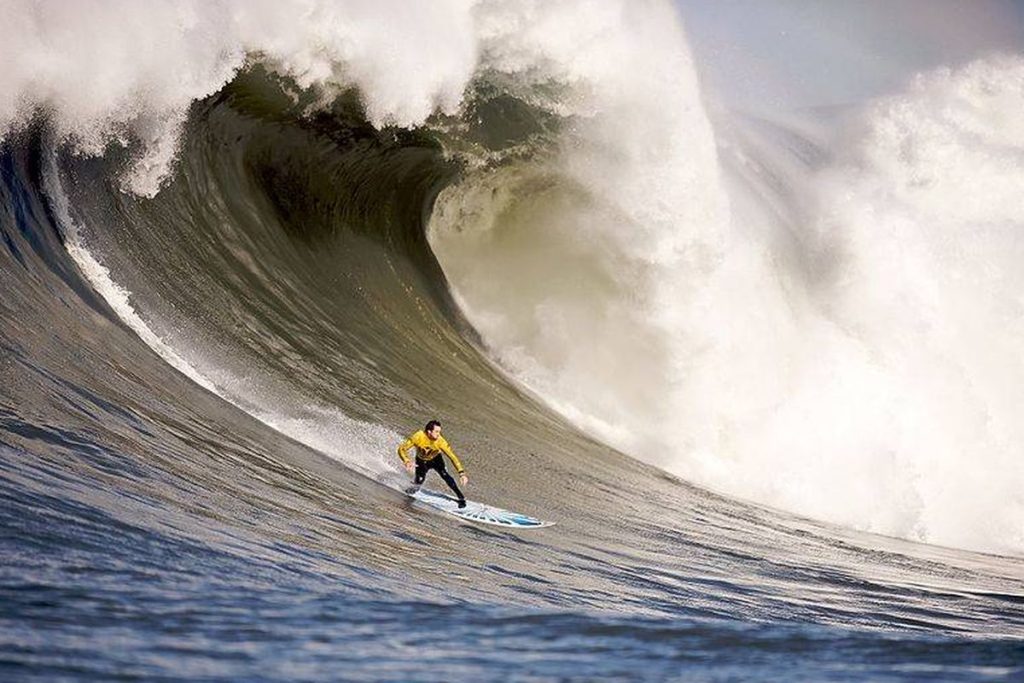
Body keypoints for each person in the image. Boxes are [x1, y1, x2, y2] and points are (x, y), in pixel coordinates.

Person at [397, 419, 469, 508]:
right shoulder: (418, 436)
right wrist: (406, 460)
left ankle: (461, 497)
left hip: (436, 460)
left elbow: (452, 457)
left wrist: (461, 473)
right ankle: (410, 494)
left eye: (439, 432)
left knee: (445, 475)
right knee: (419, 482)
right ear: (429, 431)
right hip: (421, 461)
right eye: (437, 432)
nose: (439, 434)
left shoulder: (441, 441)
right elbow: (401, 449)